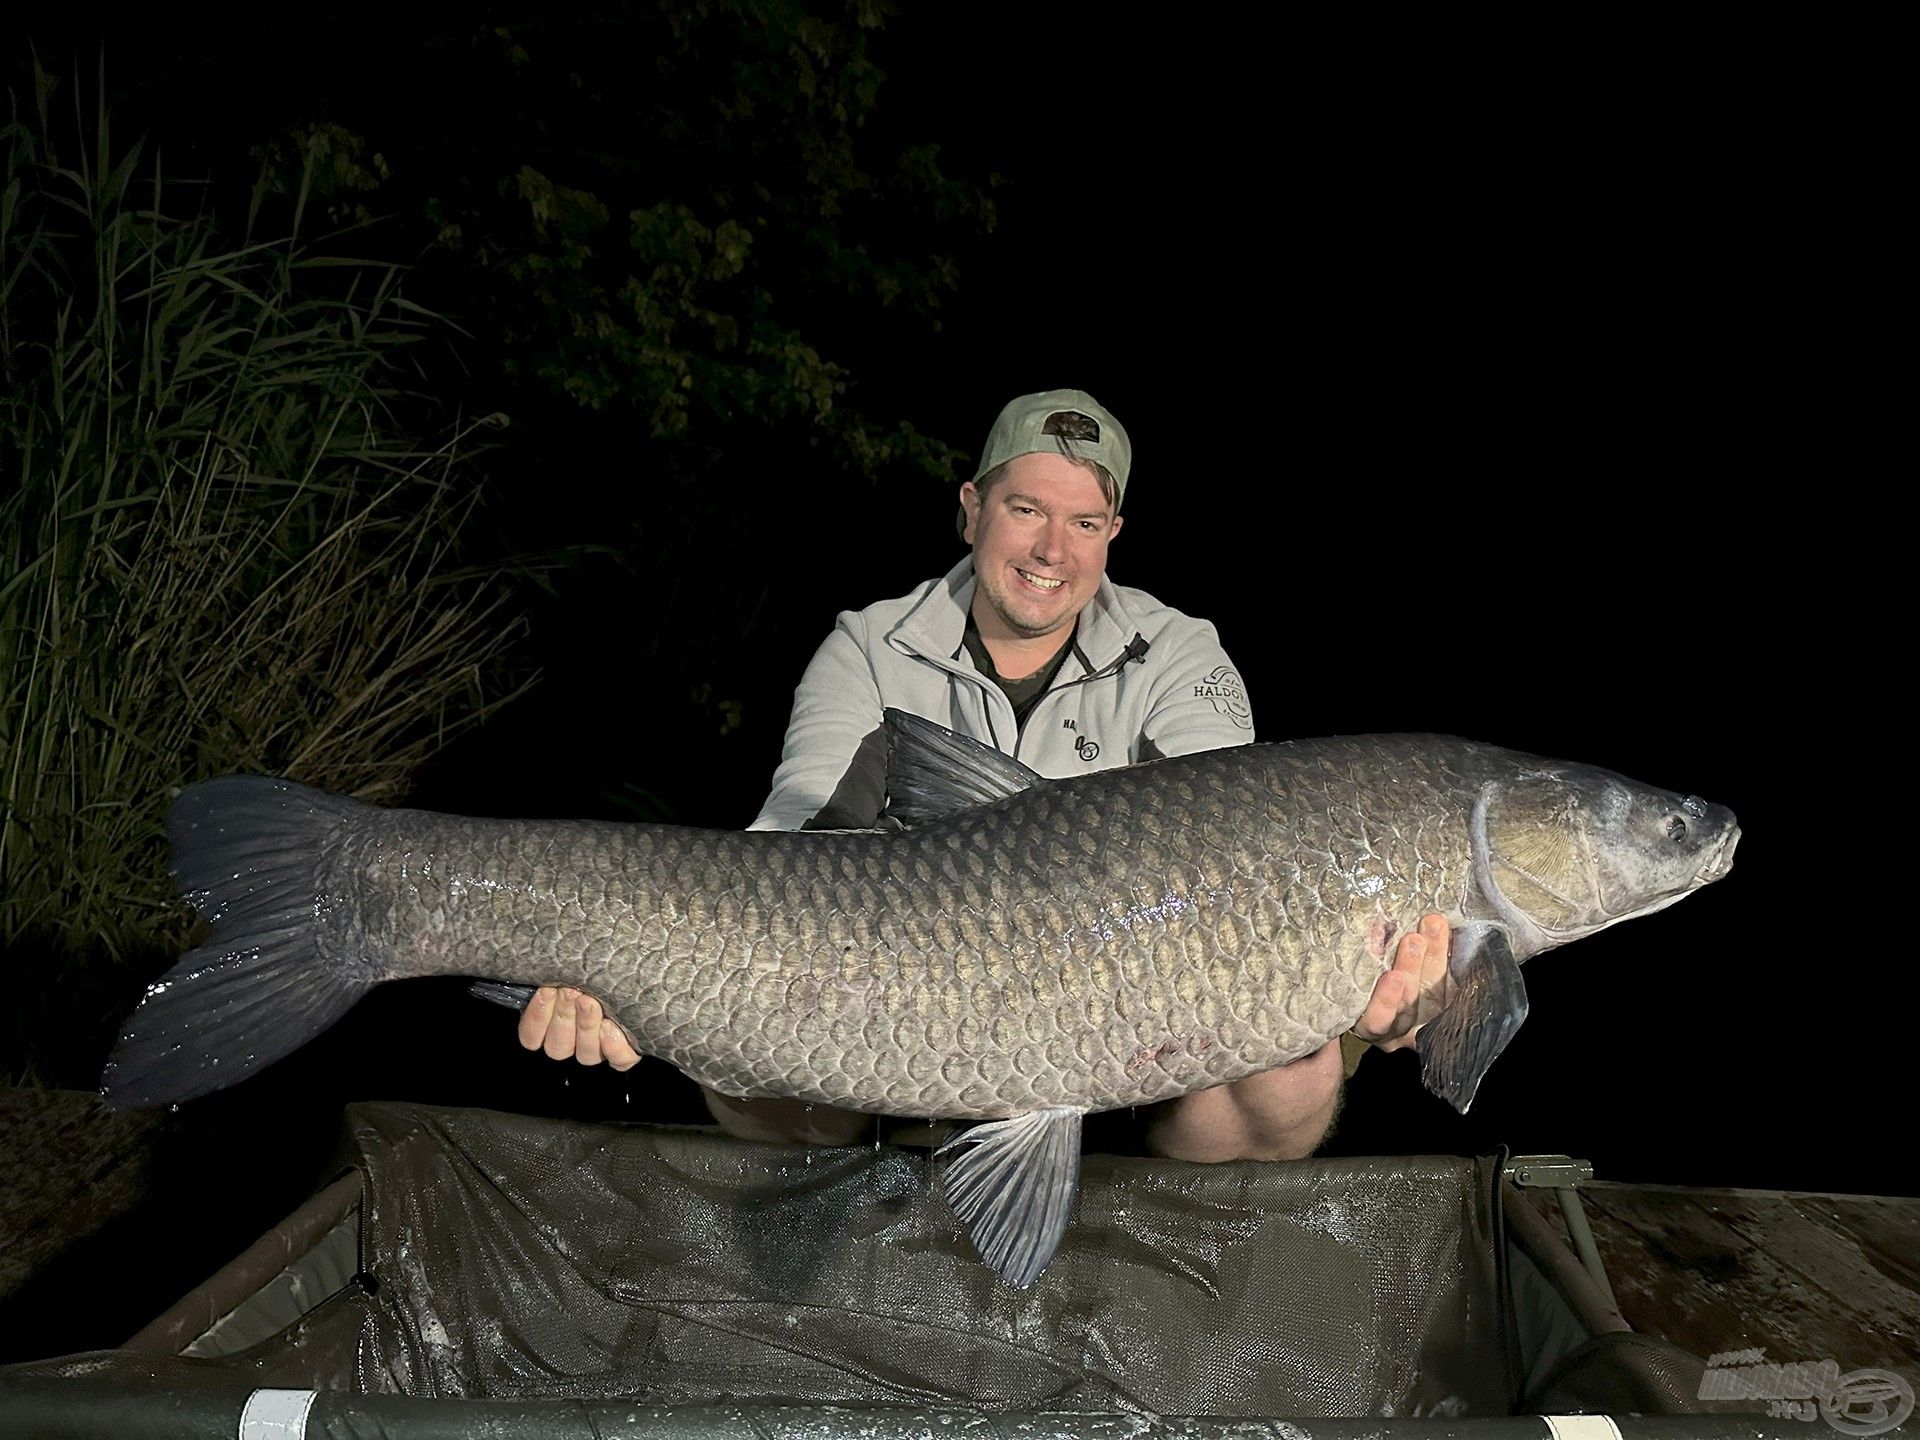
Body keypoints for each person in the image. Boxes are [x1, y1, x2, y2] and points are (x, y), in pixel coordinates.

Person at [517, 389, 1451, 1160]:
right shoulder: (872, 646)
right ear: (970, 508)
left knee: (1296, 1069)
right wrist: (629, 973)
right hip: (891, 1036)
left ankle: (1184, 1265)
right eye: (1027, 510)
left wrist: (1357, 995)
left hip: (1126, 1057)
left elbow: (1230, 855)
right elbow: (791, 859)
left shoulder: (1176, 656)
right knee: (754, 1083)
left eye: (1085, 522)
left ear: (1115, 530)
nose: (1054, 550)